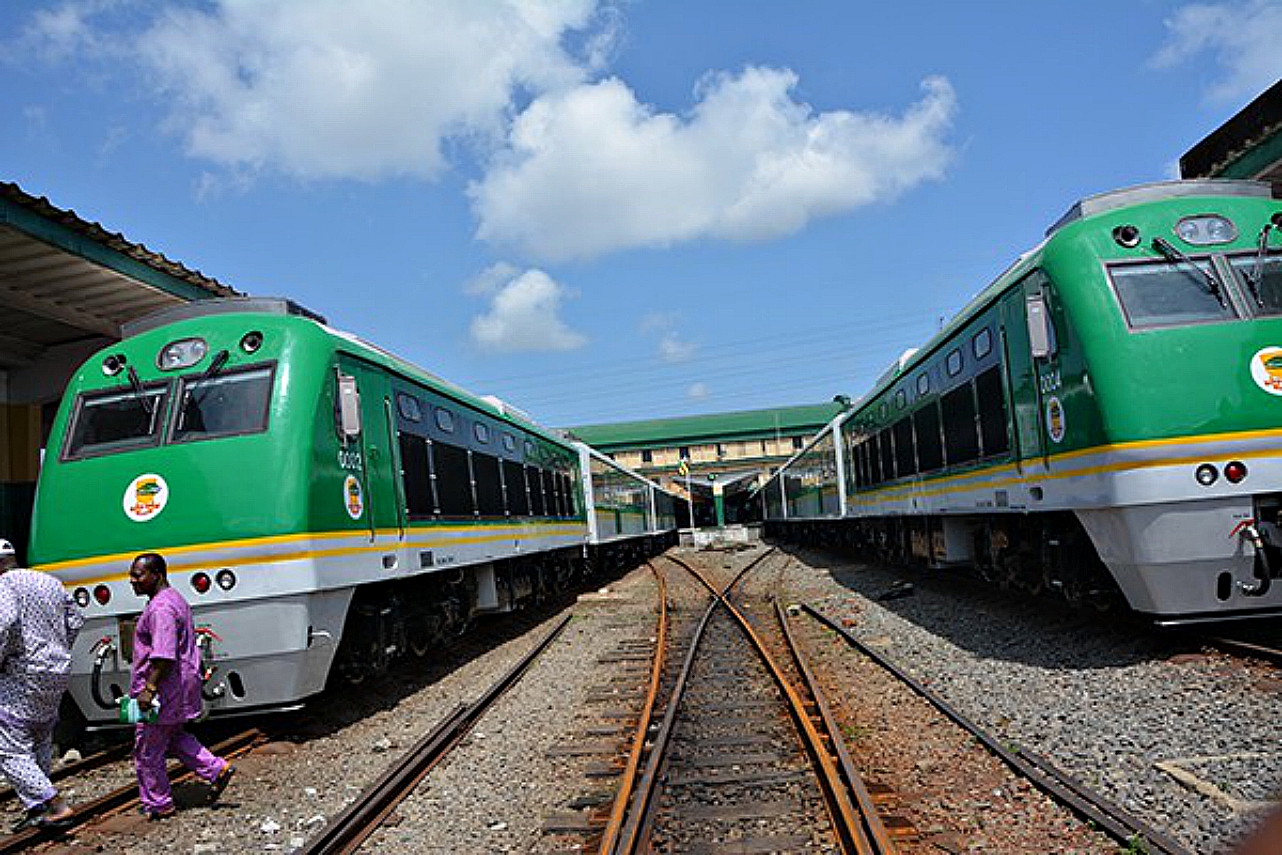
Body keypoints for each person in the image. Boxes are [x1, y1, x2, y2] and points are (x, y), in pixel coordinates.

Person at [128, 552, 233, 819]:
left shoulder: (161, 608)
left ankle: (158, 803)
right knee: (174, 736)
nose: (132, 581)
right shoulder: (174, 598)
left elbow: (163, 654)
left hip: (164, 689)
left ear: (157, 575)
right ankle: (216, 769)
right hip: (179, 684)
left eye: (138, 575)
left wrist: (148, 689)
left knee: (148, 748)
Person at [0, 537, 81, 830]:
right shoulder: (50, 582)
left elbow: (4, 623)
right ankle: (36, 806)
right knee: (40, 736)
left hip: (23, 672)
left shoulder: (5, 585)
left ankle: (56, 803)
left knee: (7, 747)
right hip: (56, 669)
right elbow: (76, 619)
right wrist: (58, 649)